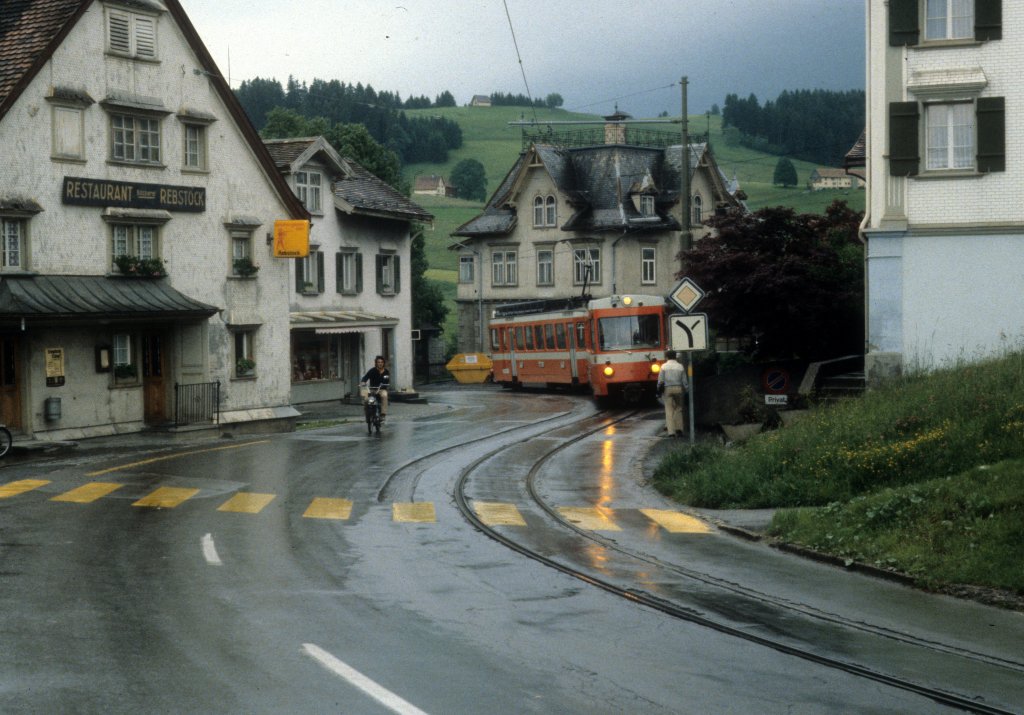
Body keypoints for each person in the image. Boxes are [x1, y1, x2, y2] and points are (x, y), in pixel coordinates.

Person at [656, 350, 688, 437]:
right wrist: (687, 389)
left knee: (669, 410)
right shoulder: (680, 366)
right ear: (675, 356)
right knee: (678, 408)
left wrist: (658, 391)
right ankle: (679, 429)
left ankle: (671, 432)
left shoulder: (663, 366)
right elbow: (684, 381)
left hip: (667, 389)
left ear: (667, 357)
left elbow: (660, 381)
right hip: (678, 389)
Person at [360, 355, 391, 420]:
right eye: (378, 362)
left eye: (381, 362)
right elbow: (365, 377)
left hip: (381, 389)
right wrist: (363, 382)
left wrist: (384, 384)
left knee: (384, 396)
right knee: (365, 398)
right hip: (372, 389)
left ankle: (383, 414)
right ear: (376, 363)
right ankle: (367, 413)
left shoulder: (386, 372)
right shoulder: (372, 370)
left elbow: (387, 380)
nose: (380, 363)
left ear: (383, 363)